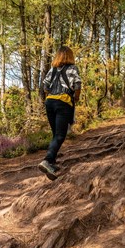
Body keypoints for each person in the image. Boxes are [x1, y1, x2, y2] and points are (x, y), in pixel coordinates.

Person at [38, 46, 81, 180]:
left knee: (55, 134)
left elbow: (45, 86)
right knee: (60, 136)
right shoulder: (73, 68)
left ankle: (52, 163)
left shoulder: (52, 69)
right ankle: (46, 160)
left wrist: (51, 94)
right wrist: (76, 97)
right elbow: (78, 85)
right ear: (70, 56)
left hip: (49, 102)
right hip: (63, 102)